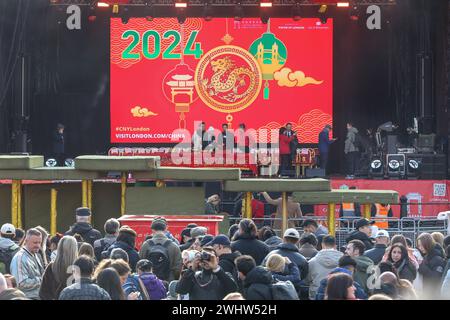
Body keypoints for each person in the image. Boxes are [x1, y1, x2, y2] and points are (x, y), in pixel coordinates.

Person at [139, 217, 182, 282]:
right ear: (165, 229)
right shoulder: (174, 246)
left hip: (148, 282)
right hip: (167, 282)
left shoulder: (146, 245)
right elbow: (178, 268)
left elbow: (139, 264)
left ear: (152, 230)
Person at [39, 235, 78, 300]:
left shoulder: (51, 267)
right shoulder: (79, 268)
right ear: (75, 249)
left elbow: (42, 292)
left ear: (59, 248)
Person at [10, 228, 45, 299]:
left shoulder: (35, 254)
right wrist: (43, 279)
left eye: (39, 242)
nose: (38, 245)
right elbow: (21, 283)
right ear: (26, 241)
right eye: (35, 242)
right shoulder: (19, 258)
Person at [306, 235, 343, 300]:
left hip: (316, 294)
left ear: (322, 245)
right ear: (335, 245)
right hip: (338, 294)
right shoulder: (343, 261)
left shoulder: (312, 261)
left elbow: (308, 279)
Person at [417, 233, 446, 299]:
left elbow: (436, 278)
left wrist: (421, 267)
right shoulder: (427, 256)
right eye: (419, 245)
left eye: (422, 245)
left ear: (428, 244)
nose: (420, 248)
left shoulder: (437, 258)